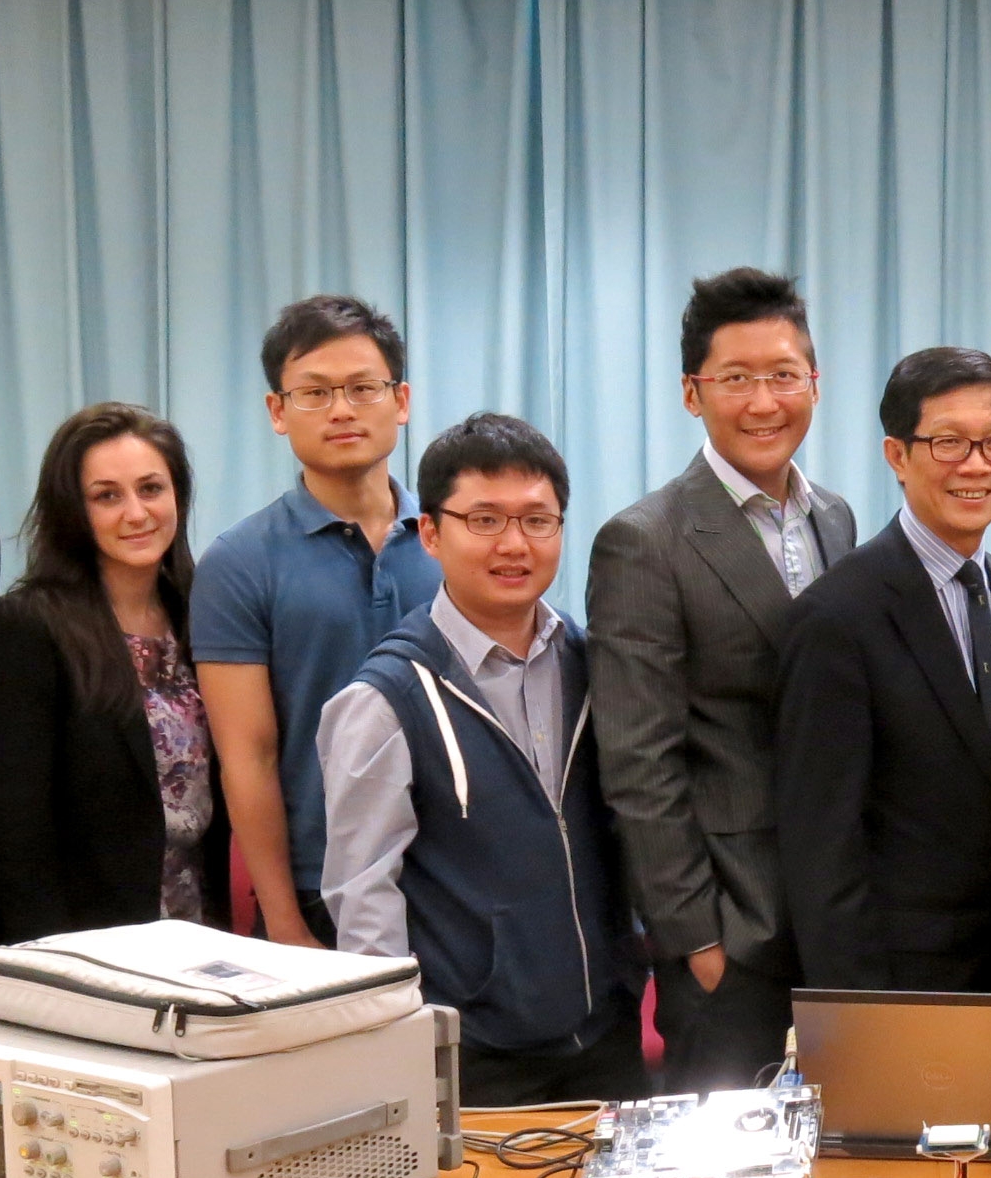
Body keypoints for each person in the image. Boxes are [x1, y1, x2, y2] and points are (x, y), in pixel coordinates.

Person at [317, 413, 645, 1107]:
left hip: (605, 1038)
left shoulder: (596, 663)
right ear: (431, 532)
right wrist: (394, 1065)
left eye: (538, 520)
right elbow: (364, 903)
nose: (515, 545)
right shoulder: (384, 699)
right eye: (486, 520)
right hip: (476, 1054)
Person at [590, 269, 858, 1092]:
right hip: (733, 934)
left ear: (814, 382)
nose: (763, 401)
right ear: (691, 393)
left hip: (835, 917)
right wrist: (697, 944)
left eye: (783, 375)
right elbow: (639, 763)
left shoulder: (836, 518)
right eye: (735, 379)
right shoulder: (646, 540)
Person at [776, 347, 991, 993]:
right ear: (897, 456)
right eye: (950, 443)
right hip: (905, 979)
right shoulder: (836, 617)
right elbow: (822, 844)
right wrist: (856, 1011)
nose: (977, 466)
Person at [191, 295, 440, 948]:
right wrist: (283, 919)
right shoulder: (238, 562)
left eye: (363, 388)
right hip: (322, 882)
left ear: (401, 400)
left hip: (459, 869)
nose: (341, 409)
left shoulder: (456, 539)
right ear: (278, 410)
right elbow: (249, 756)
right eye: (315, 393)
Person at [0, 404, 228, 941]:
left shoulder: (204, 611)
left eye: (152, 488)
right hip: (86, 939)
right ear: (73, 510)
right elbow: (14, 830)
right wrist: (48, 961)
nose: (136, 513)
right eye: (107, 495)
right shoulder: (28, 625)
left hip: (197, 926)